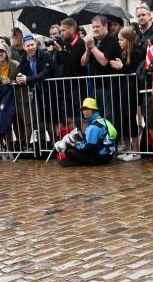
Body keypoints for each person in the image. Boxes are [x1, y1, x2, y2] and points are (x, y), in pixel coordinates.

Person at [16, 34, 57, 151]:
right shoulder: (24, 58)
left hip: (49, 91)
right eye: (28, 46)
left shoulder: (44, 55)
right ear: (24, 47)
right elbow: (19, 72)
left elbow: (46, 72)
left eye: (32, 45)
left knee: (50, 118)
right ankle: (42, 143)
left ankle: (54, 142)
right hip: (36, 93)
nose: (31, 48)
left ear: (36, 44)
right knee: (40, 119)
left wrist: (28, 79)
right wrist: (19, 78)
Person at [112, 25, 145, 160]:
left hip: (133, 90)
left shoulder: (137, 52)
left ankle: (136, 151)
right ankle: (128, 149)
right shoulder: (122, 53)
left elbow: (135, 71)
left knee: (131, 119)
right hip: (123, 90)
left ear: (128, 40)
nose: (119, 42)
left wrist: (122, 67)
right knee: (123, 119)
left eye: (121, 40)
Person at [82, 14, 121, 125]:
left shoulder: (111, 40)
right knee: (98, 118)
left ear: (105, 27)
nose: (95, 29)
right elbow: (83, 62)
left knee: (108, 118)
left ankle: (110, 141)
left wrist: (93, 47)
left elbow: (104, 61)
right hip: (95, 87)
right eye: (93, 27)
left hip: (108, 86)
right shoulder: (93, 41)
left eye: (97, 27)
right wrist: (88, 49)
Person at [54, 97, 116, 167]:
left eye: (87, 109)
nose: (84, 112)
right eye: (83, 109)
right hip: (108, 156)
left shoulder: (93, 127)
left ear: (93, 110)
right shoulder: (102, 120)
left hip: (100, 158)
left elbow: (89, 149)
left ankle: (77, 162)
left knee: (68, 151)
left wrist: (75, 145)